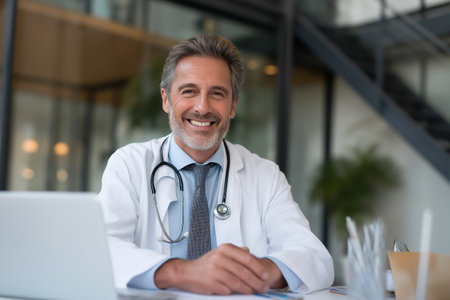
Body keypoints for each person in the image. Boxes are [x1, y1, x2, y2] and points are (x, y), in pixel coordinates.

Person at [98, 34, 334, 295]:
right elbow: (101, 247)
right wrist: (181, 272)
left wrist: (260, 271)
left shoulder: (266, 176)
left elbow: (314, 257)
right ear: (166, 100)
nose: (202, 107)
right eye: (189, 91)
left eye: (217, 94)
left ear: (233, 106)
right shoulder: (129, 165)